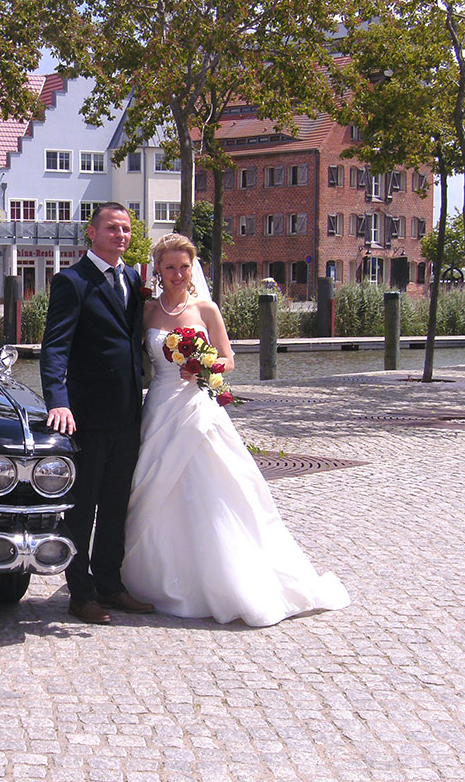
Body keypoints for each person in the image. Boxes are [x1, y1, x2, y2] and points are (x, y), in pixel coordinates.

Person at [120, 233, 349, 626]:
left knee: (216, 484)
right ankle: (151, 576)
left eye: (184, 266)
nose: (178, 274)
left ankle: (224, 576)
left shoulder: (206, 309)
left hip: (198, 405)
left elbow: (228, 358)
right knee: (154, 482)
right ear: (158, 269)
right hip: (159, 405)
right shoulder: (148, 312)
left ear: (193, 269)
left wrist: (204, 365)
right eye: (170, 266)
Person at [40, 202, 156, 625]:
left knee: (115, 503)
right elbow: (55, 346)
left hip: (127, 411)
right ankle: (81, 593)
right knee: (82, 505)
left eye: (125, 229)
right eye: (112, 228)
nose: (120, 235)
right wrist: (58, 400)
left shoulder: (133, 279)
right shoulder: (72, 281)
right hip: (86, 414)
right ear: (91, 233)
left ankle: (110, 583)